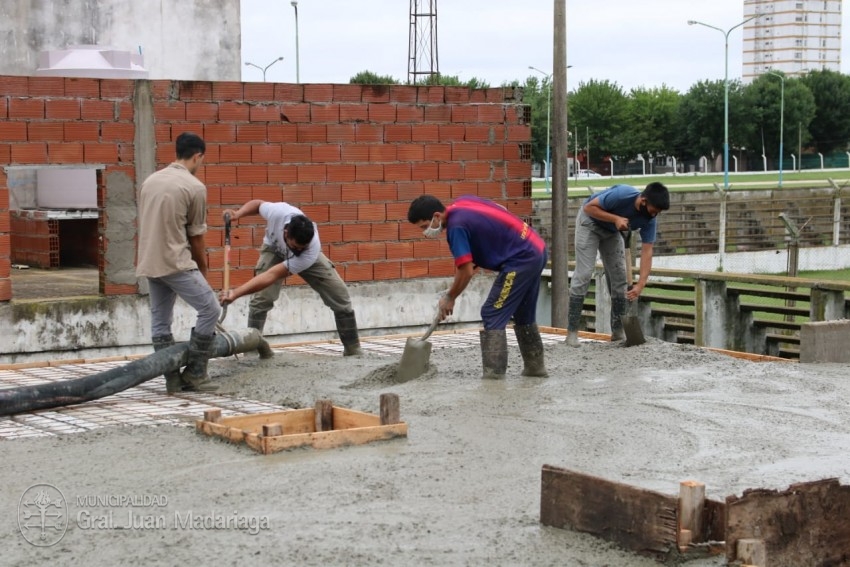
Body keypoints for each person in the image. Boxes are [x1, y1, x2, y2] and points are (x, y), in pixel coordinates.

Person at [407, 194, 548, 379]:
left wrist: (450, 297)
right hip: (536, 248)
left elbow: (466, 272)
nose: (426, 232)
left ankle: (494, 377)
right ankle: (535, 369)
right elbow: (498, 213)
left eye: (425, 226)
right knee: (523, 313)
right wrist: (454, 288)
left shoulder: (456, 228)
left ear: (436, 216)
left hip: (521, 260)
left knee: (492, 312)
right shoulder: (463, 202)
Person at [218, 200, 363, 356]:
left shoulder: (309, 251)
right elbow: (258, 205)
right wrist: (238, 214)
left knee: (340, 295)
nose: (298, 250)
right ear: (286, 233)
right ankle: (252, 351)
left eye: (302, 248)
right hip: (274, 249)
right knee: (262, 298)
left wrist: (235, 293)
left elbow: (272, 275)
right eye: (295, 247)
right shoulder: (277, 212)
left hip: (308, 260)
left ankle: (353, 350)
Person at [136, 132, 220, 392]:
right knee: (210, 309)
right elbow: (196, 237)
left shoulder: (150, 181)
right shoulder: (194, 187)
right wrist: (203, 270)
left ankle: (171, 379)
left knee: (161, 320)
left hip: (150, 261)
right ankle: (195, 374)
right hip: (176, 262)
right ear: (198, 156)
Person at [566, 182, 670, 347]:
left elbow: (647, 251)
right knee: (584, 274)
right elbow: (589, 208)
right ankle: (572, 333)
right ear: (643, 201)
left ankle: (618, 331)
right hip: (590, 223)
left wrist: (641, 284)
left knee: (620, 279)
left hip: (611, 231)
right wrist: (615, 218)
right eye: (654, 210)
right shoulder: (622, 194)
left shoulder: (650, 219)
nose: (655, 214)